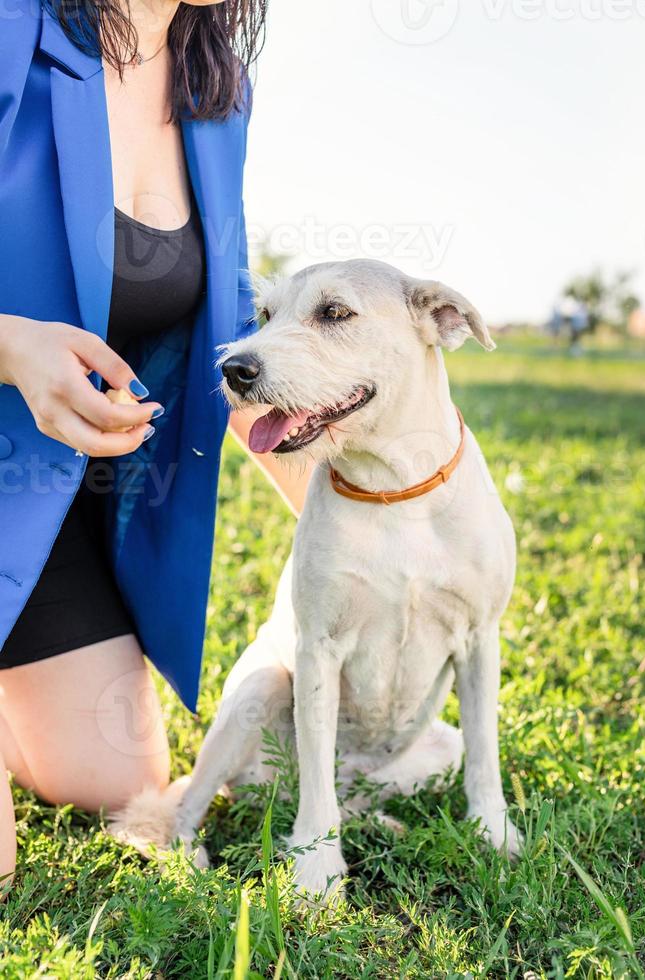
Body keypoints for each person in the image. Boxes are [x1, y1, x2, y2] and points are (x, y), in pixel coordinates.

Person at [0, 0, 309, 887]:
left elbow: (229, 342)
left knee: (120, 782)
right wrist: (12, 346)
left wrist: (384, 517)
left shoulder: (215, 89)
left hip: (44, 506)